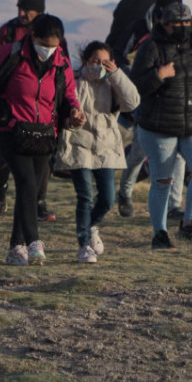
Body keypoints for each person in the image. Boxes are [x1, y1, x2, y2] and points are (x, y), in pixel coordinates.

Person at [0, 14, 83, 266]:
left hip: (45, 135)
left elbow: (69, 95)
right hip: (11, 131)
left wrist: (75, 112)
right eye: (44, 44)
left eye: (53, 46)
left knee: (32, 189)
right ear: (32, 37)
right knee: (26, 182)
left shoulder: (62, 64)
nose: (48, 50)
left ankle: (16, 248)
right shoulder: (11, 54)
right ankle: (34, 243)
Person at [128, 2, 192, 249]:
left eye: (185, 22)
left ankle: (189, 224)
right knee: (163, 179)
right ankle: (160, 234)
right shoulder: (150, 47)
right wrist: (158, 76)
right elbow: (135, 87)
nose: (181, 27)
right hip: (159, 126)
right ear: (163, 23)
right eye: (175, 23)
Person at [53, 42, 139, 263]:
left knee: (108, 199)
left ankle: (91, 226)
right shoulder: (73, 82)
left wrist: (117, 74)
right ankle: (83, 246)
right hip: (77, 146)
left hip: (105, 148)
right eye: (94, 61)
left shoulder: (113, 85)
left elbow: (132, 102)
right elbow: (60, 107)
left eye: (104, 62)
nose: (98, 66)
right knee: (85, 196)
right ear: (85, 62)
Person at [0, 0, 62, 221]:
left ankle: (39, 202)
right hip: (10, 110)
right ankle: (0, 186)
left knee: (44, 155)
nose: (22, 13)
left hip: (44, 109)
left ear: (40, 12)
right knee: (7, 153)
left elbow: (62, 72)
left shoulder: (53, 33)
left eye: (27, 9)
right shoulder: (7, 33)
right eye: (20, 8)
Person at [116, 0, 185, 218]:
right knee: (139, 151)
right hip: (142, 95)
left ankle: (174, 205)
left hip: (173, 99)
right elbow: (119, 58)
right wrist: (140, 77)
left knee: (178, 153)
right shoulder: (139, 29)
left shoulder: (184, 34)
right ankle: (125, 193)